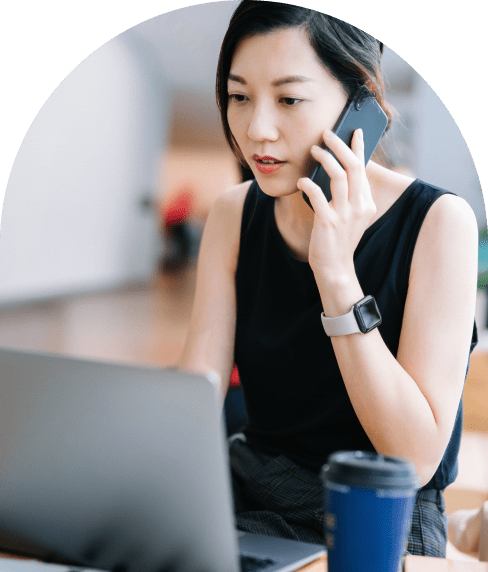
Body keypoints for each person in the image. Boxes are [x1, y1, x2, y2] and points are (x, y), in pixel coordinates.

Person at [179, 0, 479, 557]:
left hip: (382, 513)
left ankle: (463, 529)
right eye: (239, 96)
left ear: (359, 102)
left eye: (289, 99)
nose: (256, 129)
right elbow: (196, 397)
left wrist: (337, 273)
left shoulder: (440, 223)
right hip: (253, 491)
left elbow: (412, 461)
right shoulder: (232, 213)